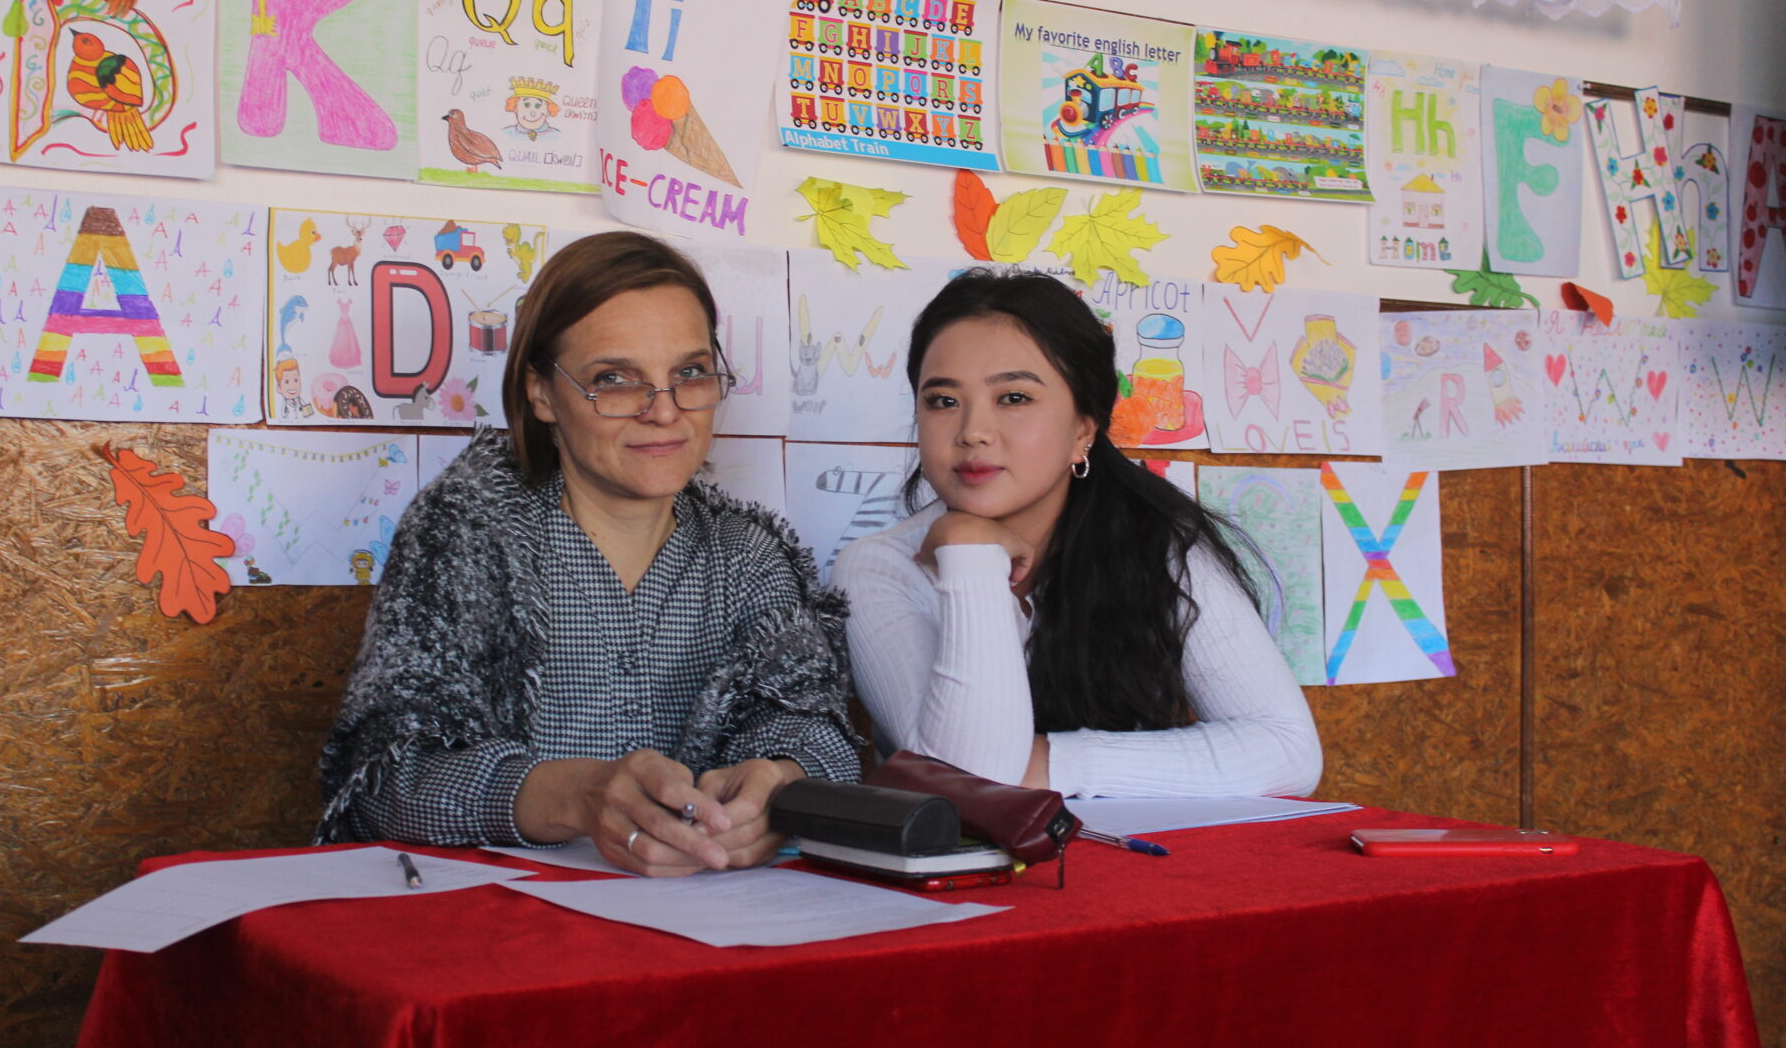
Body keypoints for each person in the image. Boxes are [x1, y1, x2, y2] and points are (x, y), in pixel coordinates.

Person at [318, 232, 860, 874]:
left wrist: (782, 779)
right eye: (614, 380)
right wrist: (575, 798)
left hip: (702, 914)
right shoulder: (466, 536)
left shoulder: (746, 555)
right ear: (542, 393)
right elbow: (380, 782)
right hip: (494, 916)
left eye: (689, 373)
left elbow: (818, 731)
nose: (664, 412)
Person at [832, 269, 1321, 799]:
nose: (973, 431)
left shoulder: (1158, 544)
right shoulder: (877, 568)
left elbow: (1288, 751)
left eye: (1013, 397)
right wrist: (971, 558)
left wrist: (1053, 763)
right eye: (943, 401)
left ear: (1084, 430)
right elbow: (968, 776)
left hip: (1137, 849)